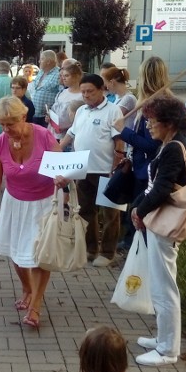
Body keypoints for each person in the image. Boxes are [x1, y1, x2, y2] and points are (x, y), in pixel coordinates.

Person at [0, 96, 64, 328]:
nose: (5, 129)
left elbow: (62, 167)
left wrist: (63, 179)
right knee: (17, 253)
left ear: (23, 117)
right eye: (1, 124)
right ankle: (26, 288)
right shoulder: (0, 143)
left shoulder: (44, 135)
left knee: (37, 257)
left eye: (10, 123)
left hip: (43, 202)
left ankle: (36, 305)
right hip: (15, 202)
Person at [129, 95, 186, 366]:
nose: (148, 126)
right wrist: (139, 206)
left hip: (167, 225)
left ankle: (168, 349)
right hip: (160, 222)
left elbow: (161, 188)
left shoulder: (173, 147)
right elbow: (156, 186)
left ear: (169, 122)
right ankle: (163, 337)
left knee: (164, 287)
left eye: (152, 120)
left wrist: (139, 210)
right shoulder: (171, 145)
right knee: (160, 283)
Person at [59, 74, 124, 267]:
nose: (86, 95)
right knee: (86, 211)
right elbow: (71, 134)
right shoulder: (81, 111)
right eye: (84, 91)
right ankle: (90, 249)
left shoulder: (114, 111)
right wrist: (57, 150)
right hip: (82, 170)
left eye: (90, 91)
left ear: (101, 90)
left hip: (106, 170)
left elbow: (119, 140)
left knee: (110, 214)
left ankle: (107, 252)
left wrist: (115, 167)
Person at [112, 57, 166, 251]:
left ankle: (137, 251)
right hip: (140, 167)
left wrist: (124, 132)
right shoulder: (149, 102)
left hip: (148, 171)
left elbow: (152, 145)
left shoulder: (156, 106)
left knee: (139, 213)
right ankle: (132, 245)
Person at [48, 61, 83, 142]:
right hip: (54, 134)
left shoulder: (81, 96)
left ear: (76, 77)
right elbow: (55, 111)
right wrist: (49, 117)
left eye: (67, 76)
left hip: (69, 137)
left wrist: (65, 127)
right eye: (62, 76)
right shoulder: (62, 92)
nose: (63, 78)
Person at [30, 50, 61, 127]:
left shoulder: (58, 74)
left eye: (42, 59)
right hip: (35, 114)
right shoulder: (41, 72)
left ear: (48, 61)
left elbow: (61, 93)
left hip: (47, 117)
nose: (39, 61)